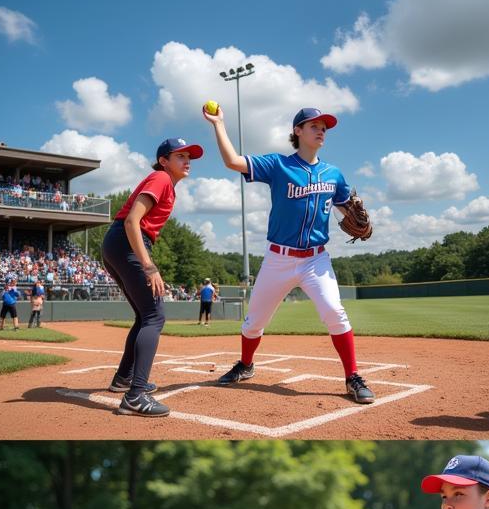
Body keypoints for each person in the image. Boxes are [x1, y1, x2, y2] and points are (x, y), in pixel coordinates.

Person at [203, 103, 375, 404]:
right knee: (254, 321)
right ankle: (245, 365)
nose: (321, 129)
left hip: (315, 260)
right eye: (314, 125)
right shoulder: (278, 165)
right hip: (278, 259)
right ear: (298, 131)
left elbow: (348, 208)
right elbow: (232, 161)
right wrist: (218, 124)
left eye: (324, 126)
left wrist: (358, 216)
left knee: (335, 312)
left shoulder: (333, 174)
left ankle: (352, 377)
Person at [102, 138, 203, 416]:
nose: (187, 161)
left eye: (189, 156)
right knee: (154, 316)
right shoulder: (160, 178)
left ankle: (124, 379)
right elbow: (133, 221)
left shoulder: (165, 183)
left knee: (144, 315)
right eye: (180, 156)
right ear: (163, 161)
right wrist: (149, 266)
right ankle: (135, 396)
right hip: (127, 242)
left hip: (118, 243)